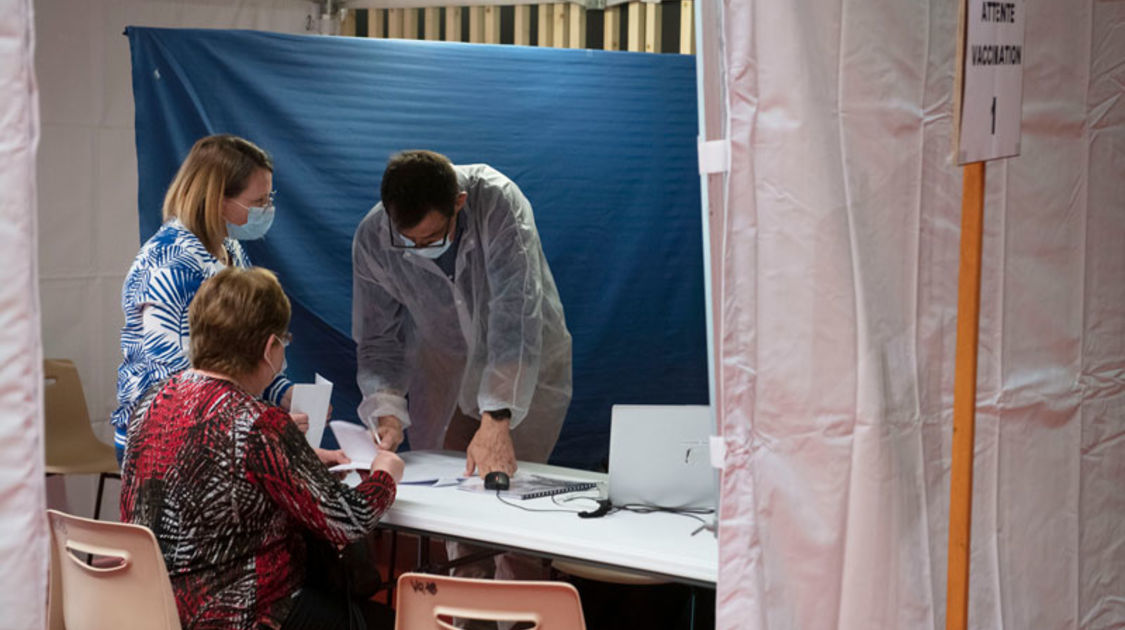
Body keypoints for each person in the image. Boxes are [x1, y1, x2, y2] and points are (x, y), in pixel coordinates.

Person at [121, 266, 404, 630]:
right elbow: (346, 521)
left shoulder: (150, 403)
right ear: (270, 346)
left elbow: (202, 464)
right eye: (284, 342)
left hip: (155, 610)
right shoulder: (259, 423)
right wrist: (384, 474)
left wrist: (298, 458)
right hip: (246, 615)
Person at [352, 150, 572, 478]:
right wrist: (387, 411)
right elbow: (378, 339)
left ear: (459, 202)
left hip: (521, 361)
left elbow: (515, 313)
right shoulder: (374, 236)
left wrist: (497, 419)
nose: (419, 248)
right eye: (408, 241)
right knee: (443, 476)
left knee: (503, 478)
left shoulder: (498, 202)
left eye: (431, 238)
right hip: (444, 362)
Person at [113, 134, 298, 463]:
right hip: (164, 443)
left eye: (269, 199)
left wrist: (282, 393)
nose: (267, 210)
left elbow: (243, 349)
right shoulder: (169, 263)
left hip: (219, 430)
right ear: (218, 199)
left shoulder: (229, 250)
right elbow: (175, 382)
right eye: (258, 202)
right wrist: (260, 425)